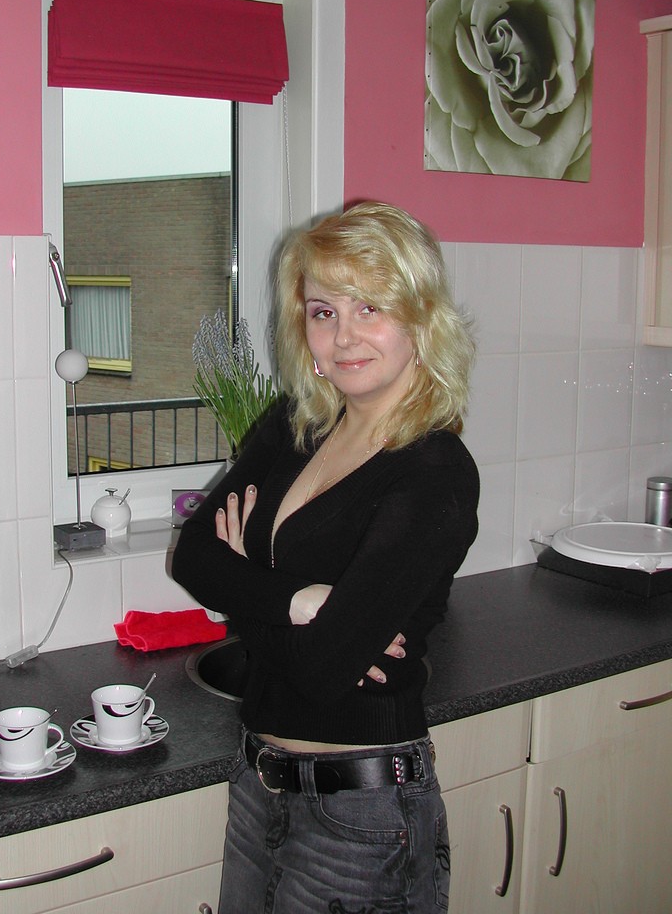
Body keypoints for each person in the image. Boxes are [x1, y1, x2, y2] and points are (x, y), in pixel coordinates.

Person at [172, 200, 479, 914]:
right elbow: (192, 557)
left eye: (370, 306)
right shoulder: (297, 425)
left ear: (421, 317)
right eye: (323, 311)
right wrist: (297, 600)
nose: (344, 336)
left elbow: (319, 672)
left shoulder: (433, 470)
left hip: (362, 816)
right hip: (257, 787)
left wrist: (246, 589)